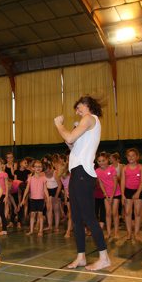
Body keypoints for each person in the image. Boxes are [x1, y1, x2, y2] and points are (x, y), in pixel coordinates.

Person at [54, 96, 110, 271]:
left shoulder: (89, 118)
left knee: (88, 217)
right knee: (76, 218)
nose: (77, 112)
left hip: (83, 174)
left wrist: (59, 125)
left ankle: (104, 257)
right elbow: (72, 145)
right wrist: (69, 138)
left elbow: (70, 138)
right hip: (76, 172)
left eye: (78, 108)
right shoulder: (85, 125)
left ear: (86, 105)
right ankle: (81, 257)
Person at [121, 148, 142, 241]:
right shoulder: (124, 168)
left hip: (139, 190)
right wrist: (123, 195)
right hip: (128, 191)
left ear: (137, 157)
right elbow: (123, 182)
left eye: (133, 155)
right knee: (127, 212)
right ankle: (129, 233)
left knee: (138, 212)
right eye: (129, 155)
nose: (131, 157)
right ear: (126, 157)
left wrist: (138, 193)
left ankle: (137, 233)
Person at [96, 152, 121, 239]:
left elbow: (115, 183)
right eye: (99, 161)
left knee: (115, 212)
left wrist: (112, 196)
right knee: (108, 213)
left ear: (107, 160)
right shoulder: (97, 171)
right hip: (106, 195)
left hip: (116, 193)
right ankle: (109, 232)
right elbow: (101, 183)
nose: (101, 163)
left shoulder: (112, 169)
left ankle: (116, 232)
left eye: (103, 160)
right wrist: (105, 194)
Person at [20, 160, 49, 237]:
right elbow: (27, 189)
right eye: (36, 167)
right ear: (33, 168)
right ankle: (31, 230)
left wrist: (48, 199)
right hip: (33, 199)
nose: (38, 168)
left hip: (40, 199)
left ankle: (40, 231)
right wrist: (23, 199)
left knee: (40, 215)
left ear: (42, 168)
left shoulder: (43, 178)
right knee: (32, 214)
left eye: (40, 167)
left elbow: (45, 189)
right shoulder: (30, 178)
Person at [44, 161, 62, 232]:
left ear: (50, 168)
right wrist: (46, 195)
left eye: (48, 171)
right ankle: (49, 226)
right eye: (45, 172)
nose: (47, 173)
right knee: (48, 209)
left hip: (56, 190)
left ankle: (56, 226)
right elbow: (43, 185)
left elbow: (60, 185)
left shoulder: (55, 173)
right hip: (48, 191)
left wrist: (56, 196)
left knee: (56, 209)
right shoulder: (43, 174)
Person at [0, 158, 9, 236]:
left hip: (2, 195)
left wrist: (6, 196)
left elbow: (6, 185)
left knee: (1, 212)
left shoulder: (4, 174)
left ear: (2, 165)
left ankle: (4, 230)